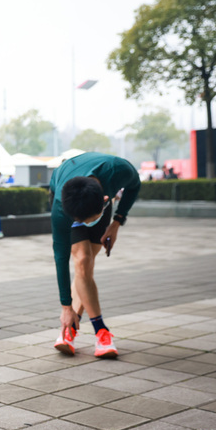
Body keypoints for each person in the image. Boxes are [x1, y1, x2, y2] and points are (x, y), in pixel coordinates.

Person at [51, 152, 141, 359]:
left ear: (105, 200)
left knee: (86, 266)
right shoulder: (60, 208)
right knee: (81, 259)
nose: (85, 224)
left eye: (89, 220)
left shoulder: (119, 169)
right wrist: (65, 307)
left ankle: (70, 330)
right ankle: (101, 331)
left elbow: (135, 186)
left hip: (94, 198)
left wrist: (117, 222)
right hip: (73, 200)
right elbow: (60, 256)